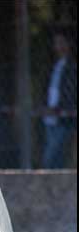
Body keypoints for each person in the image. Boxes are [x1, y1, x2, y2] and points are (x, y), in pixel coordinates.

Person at [41, 32, 77, 169]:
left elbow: (70, 93)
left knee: (52, 156)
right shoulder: (53, 66)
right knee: (54, 156)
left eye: (62, 42)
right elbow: (49, 90)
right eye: (56, 43)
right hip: (49, 118)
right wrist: (45, 107)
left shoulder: (72, 68)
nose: (58, 47)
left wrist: (58, 108)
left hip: (63, 118)